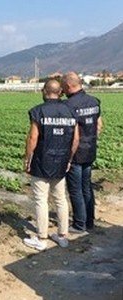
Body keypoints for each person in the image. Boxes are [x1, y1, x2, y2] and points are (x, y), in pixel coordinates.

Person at [23, 80, 80, 251]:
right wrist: (69, 159)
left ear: (45, 91)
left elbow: (33, 138)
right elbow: (76, 139)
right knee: (60, 199)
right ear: (60, 92)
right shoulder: (70, 111)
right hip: (62, 161)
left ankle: (41, 238)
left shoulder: (38, 111)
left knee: (41, 200)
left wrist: (27, 158)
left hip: (42, 160)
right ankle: (62, 236)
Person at [62, 72, 103, 233]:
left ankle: (79, 224)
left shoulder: (68, 106)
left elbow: (72, 135)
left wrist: (68, 156)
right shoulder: (94, 102)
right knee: (87, 186)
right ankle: (90, 221)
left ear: (68, 86)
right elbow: (99, 126)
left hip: (76, 152)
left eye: (64, 87)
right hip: (90, 150)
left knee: (75, 189)